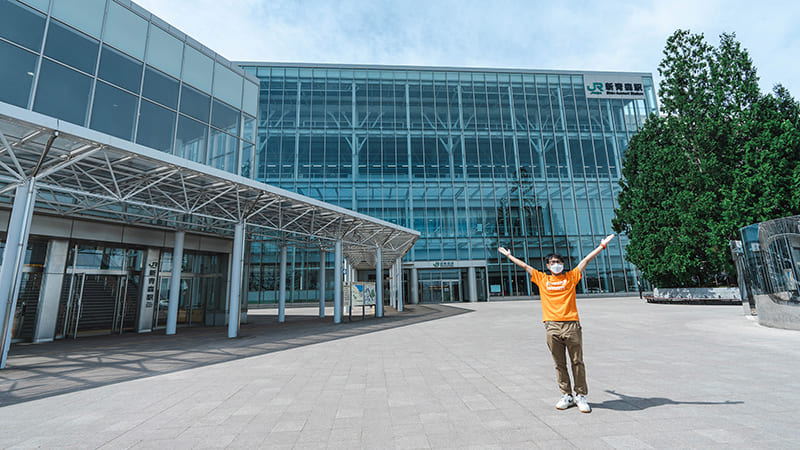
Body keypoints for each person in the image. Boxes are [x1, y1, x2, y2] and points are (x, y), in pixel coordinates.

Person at [498, 234, 615, 413]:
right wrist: (509, 256)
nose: (556, 264)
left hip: (571, 325)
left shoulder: (571, 276)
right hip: (552, 326)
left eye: (558, 261)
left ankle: (580, 395)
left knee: (577, 361)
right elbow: (525, 266)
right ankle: (566, 394)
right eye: (552, 262)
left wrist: (602, 246)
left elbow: (586, 260)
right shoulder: (542, 278)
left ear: (563, 264)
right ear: (547, 266)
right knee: (559, 363)